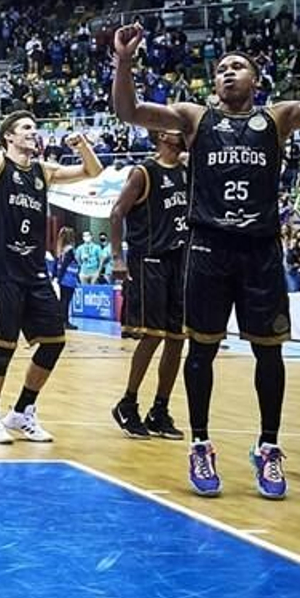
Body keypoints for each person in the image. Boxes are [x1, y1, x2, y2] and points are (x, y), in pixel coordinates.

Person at [112, 8, 300, 498]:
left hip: (260, 250)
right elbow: (129, 112)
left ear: (255, 78)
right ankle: (201, 443)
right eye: (221, 67)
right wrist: (123, 62)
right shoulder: (194, 118)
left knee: (270, 354)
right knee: (200, 348)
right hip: (208, 248)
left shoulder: (278, 117)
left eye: (237, 66)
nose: (228, 72)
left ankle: (268, 447)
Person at [0, 117, 101, 445]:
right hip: (2, 271)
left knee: (55, 341)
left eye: (34, 127)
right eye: (26, 128)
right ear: (8, 137)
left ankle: (22, 410)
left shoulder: (43, 171)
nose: (33, 132)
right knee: (4, 347)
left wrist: (82, 145)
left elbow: (93, 171)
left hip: (34, 273)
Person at [107, 131, 188, 440]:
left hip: (180, 261)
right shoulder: (144, 172)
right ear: (162, 135)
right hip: (150, 260)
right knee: (152, 336)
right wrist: (117, 257)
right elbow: (117, 213)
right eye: (175, 128)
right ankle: (128, 402)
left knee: (178, 338)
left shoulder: (186, 171)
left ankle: (160, 409)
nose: (182, 131)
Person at [53, 226, 81, 329]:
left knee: (62, 300)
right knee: (66, 301)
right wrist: (59, 278)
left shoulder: (60, 250)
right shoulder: (70, 250)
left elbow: (56, 264)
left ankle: (60, 321)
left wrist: (55, 276)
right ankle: (65, 321)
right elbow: (65, 265)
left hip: (62, 278)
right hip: (68, 279)